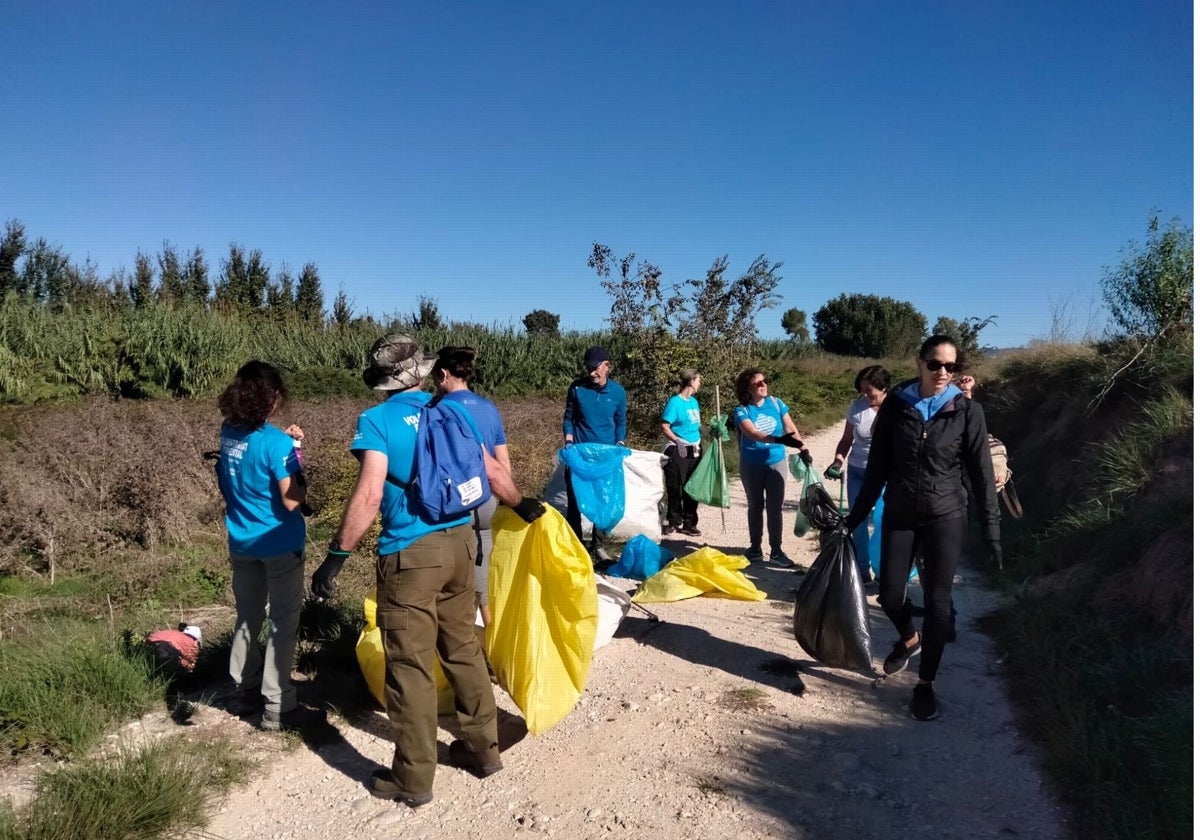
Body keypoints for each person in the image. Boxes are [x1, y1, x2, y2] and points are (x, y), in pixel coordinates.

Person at [309, 333, 545, 809]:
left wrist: (335, 558)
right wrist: (524, 506)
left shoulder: (376, 421)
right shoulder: (454, 411)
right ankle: (484, 750)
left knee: (410, 667)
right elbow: (495, 475)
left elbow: (370, 496)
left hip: (410, 555)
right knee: (461, 647)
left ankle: (413, 779)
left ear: (382, 380)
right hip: (461, 544)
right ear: (422, 371)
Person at [844, 335, 1001, 721]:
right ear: (919, 363)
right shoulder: (896, 407)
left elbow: (981, 475)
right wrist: (853, 518)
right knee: (891, 595)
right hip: (900, 511)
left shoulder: (967, 411)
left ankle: (925, 684)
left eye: (951, 365)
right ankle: (908, 638)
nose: (944, 372)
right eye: (935, 364)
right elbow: (878, 468)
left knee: (937, 604)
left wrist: (992, 530)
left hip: (946, 514)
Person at [216, 361, 321, 732]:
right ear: (272, 397)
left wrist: (290, 446)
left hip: (241, 541)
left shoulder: (228, 432)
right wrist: (296, 455)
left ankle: (244, 691)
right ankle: (278, 704)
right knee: (282, 621)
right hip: (279, 542)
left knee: (247, 617)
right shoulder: (277, 443)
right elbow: (293, 500)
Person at [432, 346, 511, 627]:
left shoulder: (438, 409)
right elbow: (502, 462)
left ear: (443, 374)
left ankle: (483, 646)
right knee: (483, 570)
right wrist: (506, 497)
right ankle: (492, 641)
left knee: (459, 581)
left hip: (456, 503)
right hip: (489, 498)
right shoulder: (489, 407)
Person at [732, 368, 811, 566]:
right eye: (758, 383)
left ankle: (776, 551)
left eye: (765, 381)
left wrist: (803, 448)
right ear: (747, 388)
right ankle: (755, 548)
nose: (763, 385)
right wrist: (779, 439)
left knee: (775, 508)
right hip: (751, 463)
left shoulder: (776, 403)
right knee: (755, 506)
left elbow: (790, 428)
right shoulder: (742, 409)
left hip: (776, 461)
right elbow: (752, 433)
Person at [824, 365, 891, 584]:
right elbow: (846, 440)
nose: (864, 395)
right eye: (861, 390)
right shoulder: (857, 407)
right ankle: (863, 569)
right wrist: (838, 461)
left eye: (869, 391)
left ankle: (883, 569)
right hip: (857, 471)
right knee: (858, 521)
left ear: (884, 388)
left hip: (886, 474)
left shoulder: (896, 408)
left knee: (883, 522)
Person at [562, 346, 627, 561]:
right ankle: (576, 545)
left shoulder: (617, 392)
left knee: (603, 499)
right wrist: (569, 439)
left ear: (607, 366)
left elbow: (620, 421)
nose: (591, 374)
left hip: (605, 457)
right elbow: (569, 417)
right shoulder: (577, 389)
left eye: (595, 369)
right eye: (588, 369)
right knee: (575, 501)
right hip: (579, 455)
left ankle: (598, 545)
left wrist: (620, 440)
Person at [660, 368, 703, 537]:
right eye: (698, 380)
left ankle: (689, 522)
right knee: (675, 485)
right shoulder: (675, 402)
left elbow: (695, 425)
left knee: (692, 486)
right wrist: (677, 441)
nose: (699, 384)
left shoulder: (694, 402)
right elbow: (665, 425)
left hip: (695, 446)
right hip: (678, 447)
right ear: (691, 381)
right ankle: (673, 520)